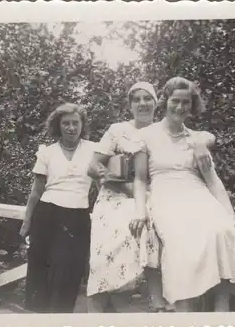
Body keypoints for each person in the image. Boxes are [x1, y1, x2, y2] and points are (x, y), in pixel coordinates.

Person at [131, 77, 235, 312]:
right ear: (165, 101)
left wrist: (229, 214)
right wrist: (140, 210)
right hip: (165, 197)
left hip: (198, 195)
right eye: (175, 101)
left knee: (221, 230)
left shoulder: (196, 139)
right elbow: (140, 179)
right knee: (180, 239)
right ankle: (184, 312)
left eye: (186, 103)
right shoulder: (146, 135)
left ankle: (221, 314)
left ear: (192, 106)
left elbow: (212, 180)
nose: (180, 108)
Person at [85, 82, 170, 313]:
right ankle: (98, 310)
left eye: (147, 98)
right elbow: (93, 165)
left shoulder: (163, 132)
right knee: (107, 250)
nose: (142, 103)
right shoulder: (117, 130)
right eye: (136, 99)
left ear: (156, 103)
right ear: (130, 105)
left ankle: (156, 299)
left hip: (149, 196)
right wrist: (105, 174)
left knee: (151, 224)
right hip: (114, 196)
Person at [19, 103, 96, 313]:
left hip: (77, 216)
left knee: (69, 273)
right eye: (66, 123)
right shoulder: (47, 153)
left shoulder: (93, 150)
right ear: (58, 126)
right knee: (40, 273)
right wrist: (27, 221)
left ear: (82, 125)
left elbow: (105, 182)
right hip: (47, 214)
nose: (71, 128)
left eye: (75, 123)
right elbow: (36, 191)